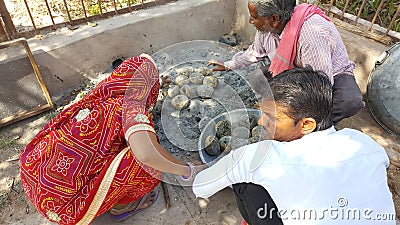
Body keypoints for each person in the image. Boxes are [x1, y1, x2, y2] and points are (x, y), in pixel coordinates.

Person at [192, 67, 396, 225]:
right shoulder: (363, 142)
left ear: (307, 124)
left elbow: (200, 187)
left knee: (245, 183)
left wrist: (230, 165)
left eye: (272, 117)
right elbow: (381, 166)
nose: (261, 122)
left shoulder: (261, 157)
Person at [19, 54, 200, 224]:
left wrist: (155, 81)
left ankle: (93, 189)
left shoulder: (102, 94)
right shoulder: (131, 108)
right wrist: (186, 170)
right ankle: (122, 207)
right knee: (147, 160)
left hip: (34, 177)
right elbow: (146, 154)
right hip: (64, 209)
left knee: (126, 141)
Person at [208, 0, 364, 123]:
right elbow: (254, 52)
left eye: (254, 17)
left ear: (274, 19)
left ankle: (317, 125)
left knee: (349, 101)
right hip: (294, 70)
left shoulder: (311, 35)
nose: (250, 21)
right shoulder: (267, 29)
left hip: (329, 77)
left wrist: (293, 112)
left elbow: (321, 84)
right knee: (257, 78)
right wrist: (228, 65)